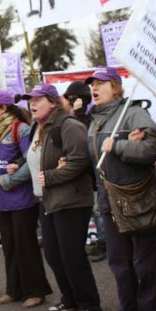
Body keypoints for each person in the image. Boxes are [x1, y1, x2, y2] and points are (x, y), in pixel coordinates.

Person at [85, 66, 156, 311]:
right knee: (119, 263)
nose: (94, 88)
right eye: (92, 84)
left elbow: (151, 148)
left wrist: (119, 145)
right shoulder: (95, 120)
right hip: (109, 201)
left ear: (116, 87)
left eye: (101, 83)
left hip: (136, 200)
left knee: (144, 264)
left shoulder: (133, 113)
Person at [24, 83, 102, 311]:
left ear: (53, 102)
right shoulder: (36, 128)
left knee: (72, 255)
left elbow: (80, 161)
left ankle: (90, 304)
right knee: (54, 255)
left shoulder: (69, 125)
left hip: (71, 199)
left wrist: (51, 175)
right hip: (46, 199)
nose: (32, 104)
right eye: (31, 100)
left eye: (38, 99)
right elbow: (36, 158)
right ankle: (69, 298)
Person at [0, 90, 52, 308]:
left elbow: (31, 161)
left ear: (4, 108)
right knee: (9, 246)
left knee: (25, 246)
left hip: (21, 197)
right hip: (3, 199)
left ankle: (36, 290)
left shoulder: (20, 128)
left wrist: (12, 179)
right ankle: (14, 288)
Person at [63, 81, 106, 263]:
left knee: (98, 211)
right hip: (81, 175)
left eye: (73, 99)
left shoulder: (89, 116)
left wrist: (79, 112)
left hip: (94, 173)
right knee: (89, 211)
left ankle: (104, 244)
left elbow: (84, 135)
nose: (70, 102)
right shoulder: (70, 116)